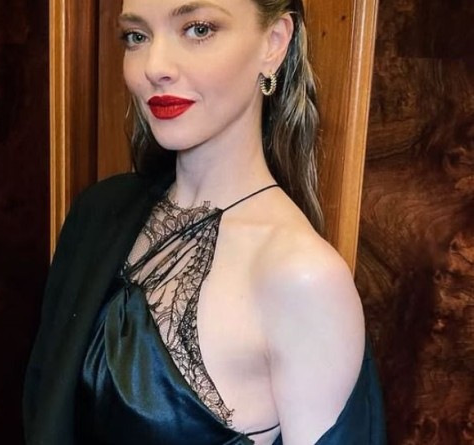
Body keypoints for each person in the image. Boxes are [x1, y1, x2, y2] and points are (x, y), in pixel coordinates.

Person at [23, 0, 386, 444]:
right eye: (137, 36)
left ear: (274, 43)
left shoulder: (302, 278)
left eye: (198, 29)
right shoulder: (98, 213)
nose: (155, 67)